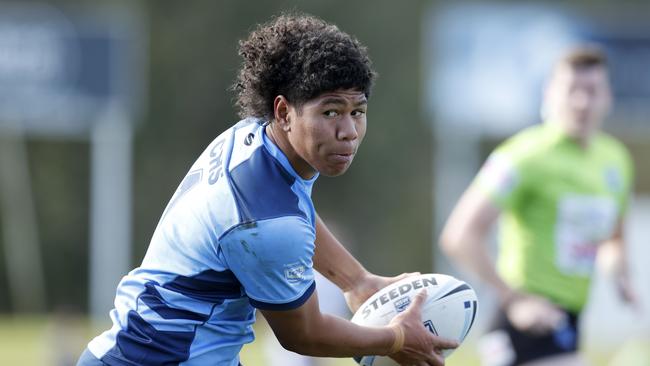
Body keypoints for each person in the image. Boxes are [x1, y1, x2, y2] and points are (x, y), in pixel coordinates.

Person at [77, 13, 458, 366]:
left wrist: (356, 280)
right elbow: (305, 334)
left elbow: (293, 210)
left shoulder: (252, 139)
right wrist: (394, 339)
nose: (349, 132)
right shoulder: (265, 220)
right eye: (330, 112)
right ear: (283, 112)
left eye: (357, 111)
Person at [439, 45, 636, 366]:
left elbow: (613, 237)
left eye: (592, 90)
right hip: (523, 327)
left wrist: (621, 276)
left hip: (569, 322)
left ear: (608, 96)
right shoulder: (524, 156)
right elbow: (458, 236)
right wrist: (515, 299)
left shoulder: (616, 161)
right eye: (572, 90)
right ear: (550, 94)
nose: (582, 102)